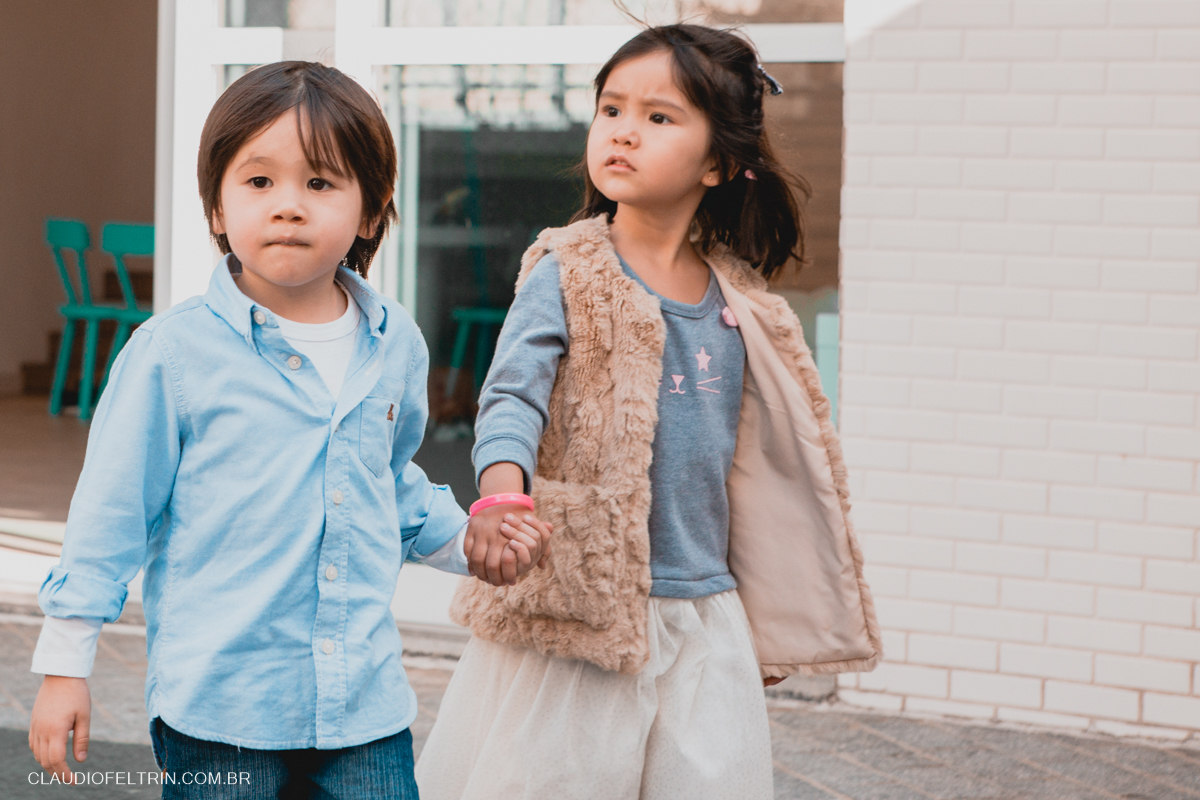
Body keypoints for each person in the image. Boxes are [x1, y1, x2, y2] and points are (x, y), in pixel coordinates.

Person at [26, 61, 551, 798]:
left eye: (321, 183)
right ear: (216, 209)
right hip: (220, 714)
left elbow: (385, 481)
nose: (289, 207)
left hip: (363, 707)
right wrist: (64, 667)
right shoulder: (171, 355)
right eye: (259, 182)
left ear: (371, 214)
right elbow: (110, 518)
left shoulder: (394, 341)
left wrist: (466, 538)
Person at [416, 24, 883, 800]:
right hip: (584, 609)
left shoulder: (743, 304)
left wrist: (765, 612)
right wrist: (501, 498)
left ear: (721, 163)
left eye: (659, 117)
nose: (624, 131)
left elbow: (766, 472)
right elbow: (511, 397)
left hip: (703, 611)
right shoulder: (569, 269)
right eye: (610, 109)